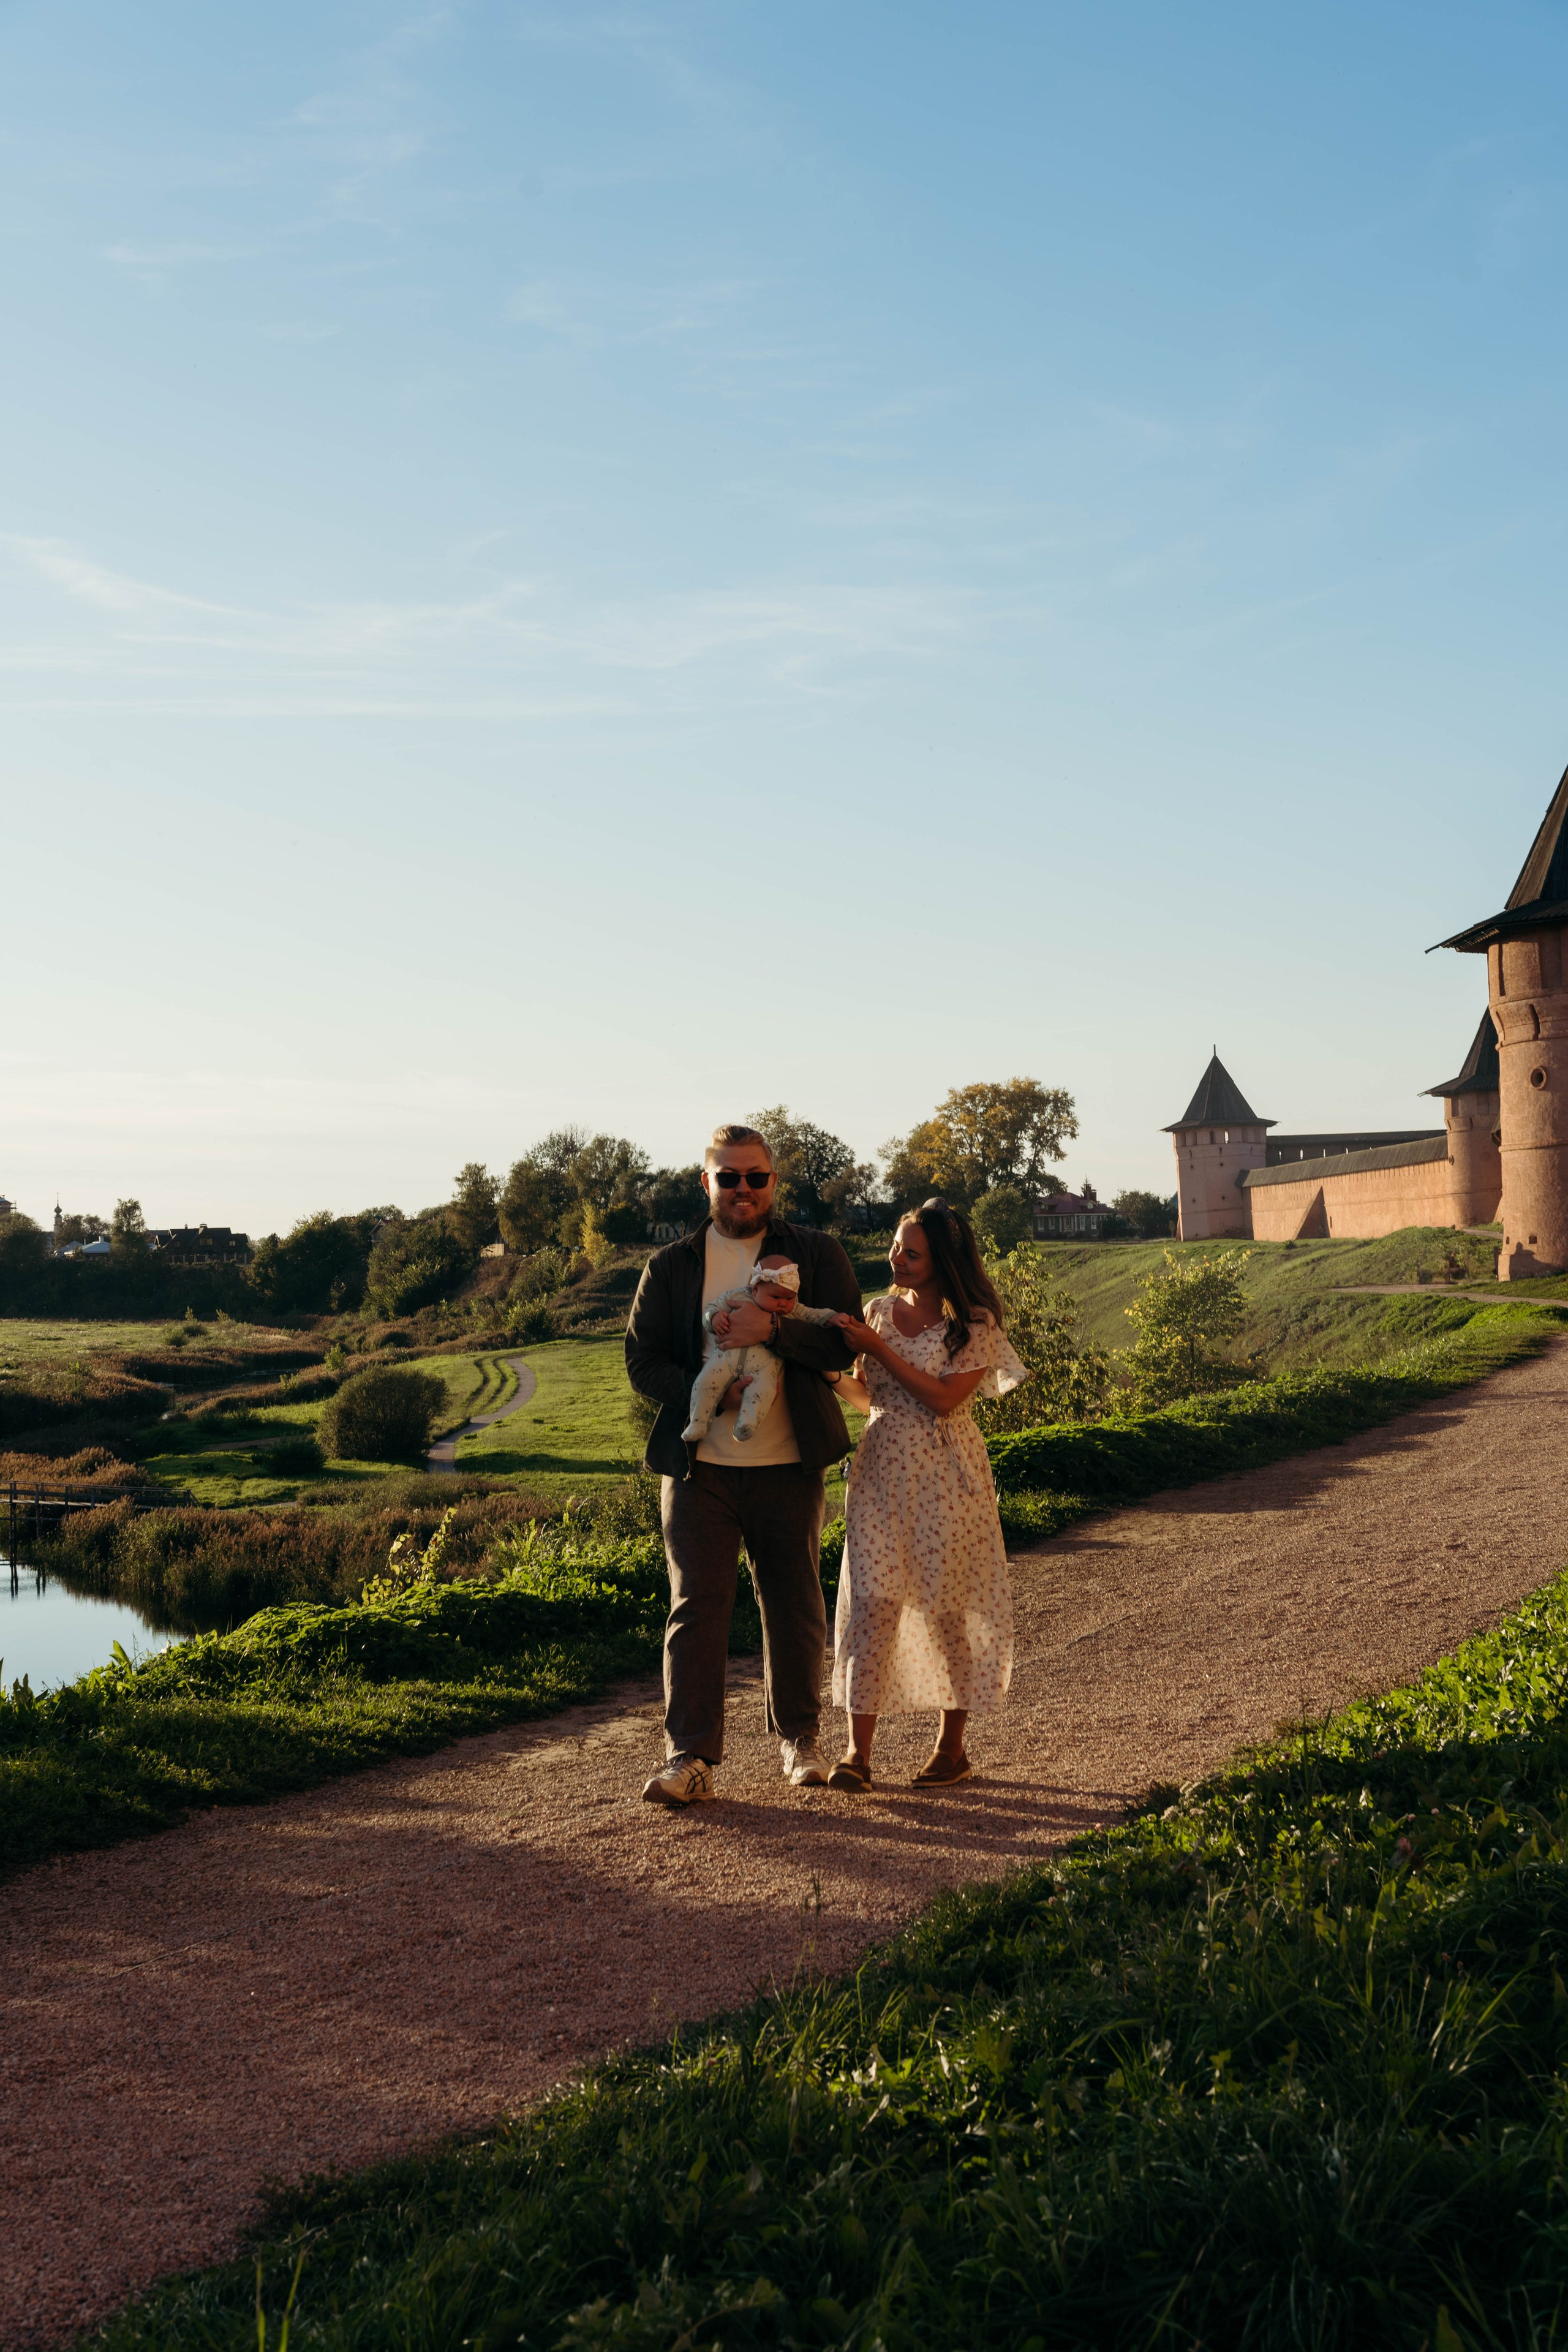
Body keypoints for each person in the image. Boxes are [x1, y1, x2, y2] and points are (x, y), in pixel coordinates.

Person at [625, 1125, 862, 1806]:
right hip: (698, 1469)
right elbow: (641, 1361)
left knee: (793, 1603)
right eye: (728, 1178)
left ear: (772, 1182)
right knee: (696, 1607)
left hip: (790, 1463)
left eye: (755, 1177)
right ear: (707, 1184)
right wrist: (715, 1392)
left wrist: (776, 1332)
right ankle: (689, 1758)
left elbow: (842, 1344)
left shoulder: (813, 1254)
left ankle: (800, 1742)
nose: (742, 1189)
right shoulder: (671, 1266)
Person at [826, 1197, 1028, 1792]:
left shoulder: (975, 1324)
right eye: (895, 1246)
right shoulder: (878, 1312)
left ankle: (951, 1748)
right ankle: (856, 1755)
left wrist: (878, 1349)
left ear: (942, 1260)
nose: (897, 1257)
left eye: (911, 1252)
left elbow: (945, 1400)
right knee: (873, 1602)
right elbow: (873, 1400)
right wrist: (829, 1373)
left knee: (946, 1607)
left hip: (948, 1475)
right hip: (881, 1470)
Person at [682, 1255, 843, 1444]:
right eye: (775, 1297)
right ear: (756, 1289)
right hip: (725, 1358)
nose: (783, 1303)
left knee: (765, 1391)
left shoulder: (793, 1311)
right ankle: (698, 1422)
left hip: (764, 1365)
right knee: (705, 1383)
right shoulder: (738, 1296)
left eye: (790, 1297)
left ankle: (747, 1424)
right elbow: (712, 1308)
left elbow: (812, 1315)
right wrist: (715, 1318)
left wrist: (832, 1317)